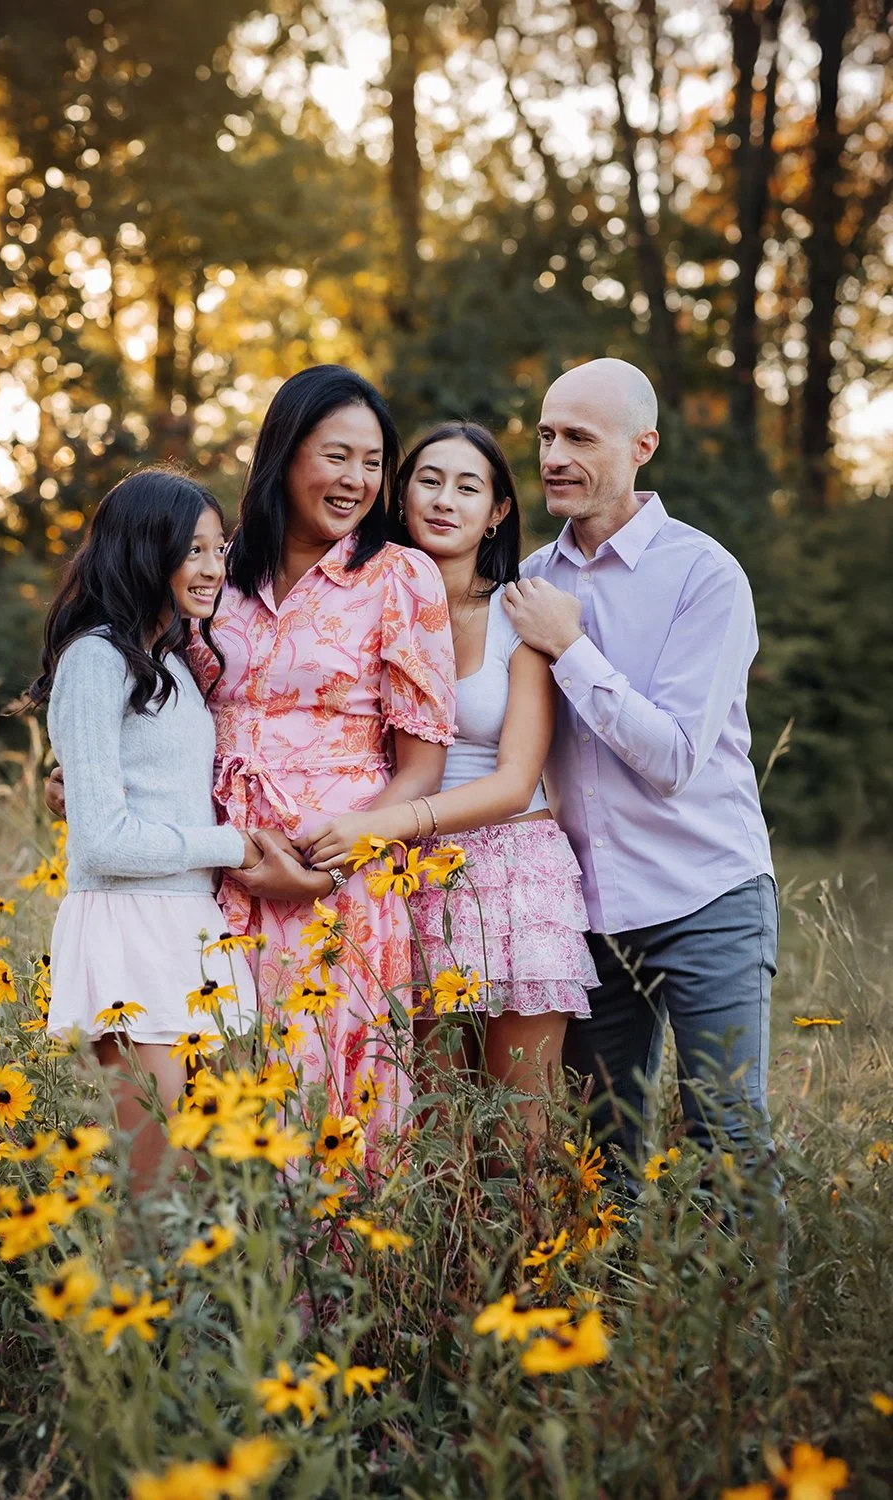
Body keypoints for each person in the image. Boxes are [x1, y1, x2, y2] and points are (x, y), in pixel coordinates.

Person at [502, 357, 777, 1181]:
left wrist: (572, 645)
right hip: (586, 909)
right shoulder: (529, 583)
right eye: (547, 435)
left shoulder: (705, 575)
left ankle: (751, 1313)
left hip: (707, 896)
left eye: (579, 437)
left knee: (724, 1142)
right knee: (598, 1153)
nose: (554, 455)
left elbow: (674, 760)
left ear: (641, 447)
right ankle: (617, 1311)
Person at [301, 422, 597, 1149]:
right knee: (432, 1126)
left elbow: (515, 780)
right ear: (401, 497)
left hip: (511, 871)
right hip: (409, 876)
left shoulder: (517, 615)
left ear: (497, 511)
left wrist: (381, 828)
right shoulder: (356, 606)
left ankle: (535, 1264)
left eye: (469, 487)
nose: (444, 500)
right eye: (429, 481)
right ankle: (446, 1269)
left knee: (520, 1134)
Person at [186, 366, 456, 1155]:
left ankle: (334, 1278)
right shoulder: (217, 571)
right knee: (219, 1093)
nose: (357, 481)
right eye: (338, 456)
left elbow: (421, 768)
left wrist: (331, 863)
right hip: (213, 871)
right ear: (285, 451)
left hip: (337, 880)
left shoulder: (400, 577)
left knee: (325, 1103)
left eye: (373, 463)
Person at [31, 468, 261, 1193]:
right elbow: (103, 841)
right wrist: (233, 846)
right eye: (191, 549)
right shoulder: (96, 659)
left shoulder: (174, 662)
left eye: (218, 550)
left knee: (202, 1178)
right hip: (129, 926)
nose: (211, 568)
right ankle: (131, 1305)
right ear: (143, 550)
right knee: (155, 1179)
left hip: (190, 924)